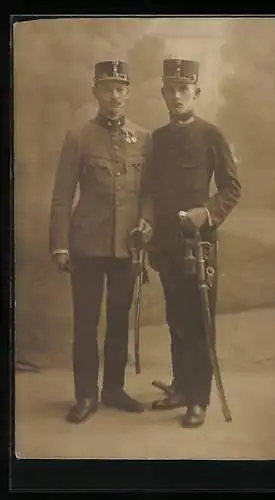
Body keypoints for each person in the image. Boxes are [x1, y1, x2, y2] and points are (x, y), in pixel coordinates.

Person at [49, 60, 153, 423]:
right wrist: (60, 245)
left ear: (128, 93)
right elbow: (63, 195)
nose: (115, 95)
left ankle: (113, 389)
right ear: (96, 92)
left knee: (119, 319)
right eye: (107, 87)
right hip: (87, 245)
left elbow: (149, 194)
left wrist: (147, 222)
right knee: (86, 322)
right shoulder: (79, 136)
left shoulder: (143, 138)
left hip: (127, 246)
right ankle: (86, 395)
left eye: (121, 88)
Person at [148, 58, 241, 428]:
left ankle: (198, 399)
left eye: (183, 89)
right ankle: (182, 387)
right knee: (177, 318)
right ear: (163, 94)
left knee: (200, 318)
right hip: (168, 244)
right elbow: (151, 191)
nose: (176, 96)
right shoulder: (157, 139)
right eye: (170, 90)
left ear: (196, 93)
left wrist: (208, 212)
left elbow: (232, 187)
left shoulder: (211, 135)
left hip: (200, 244)